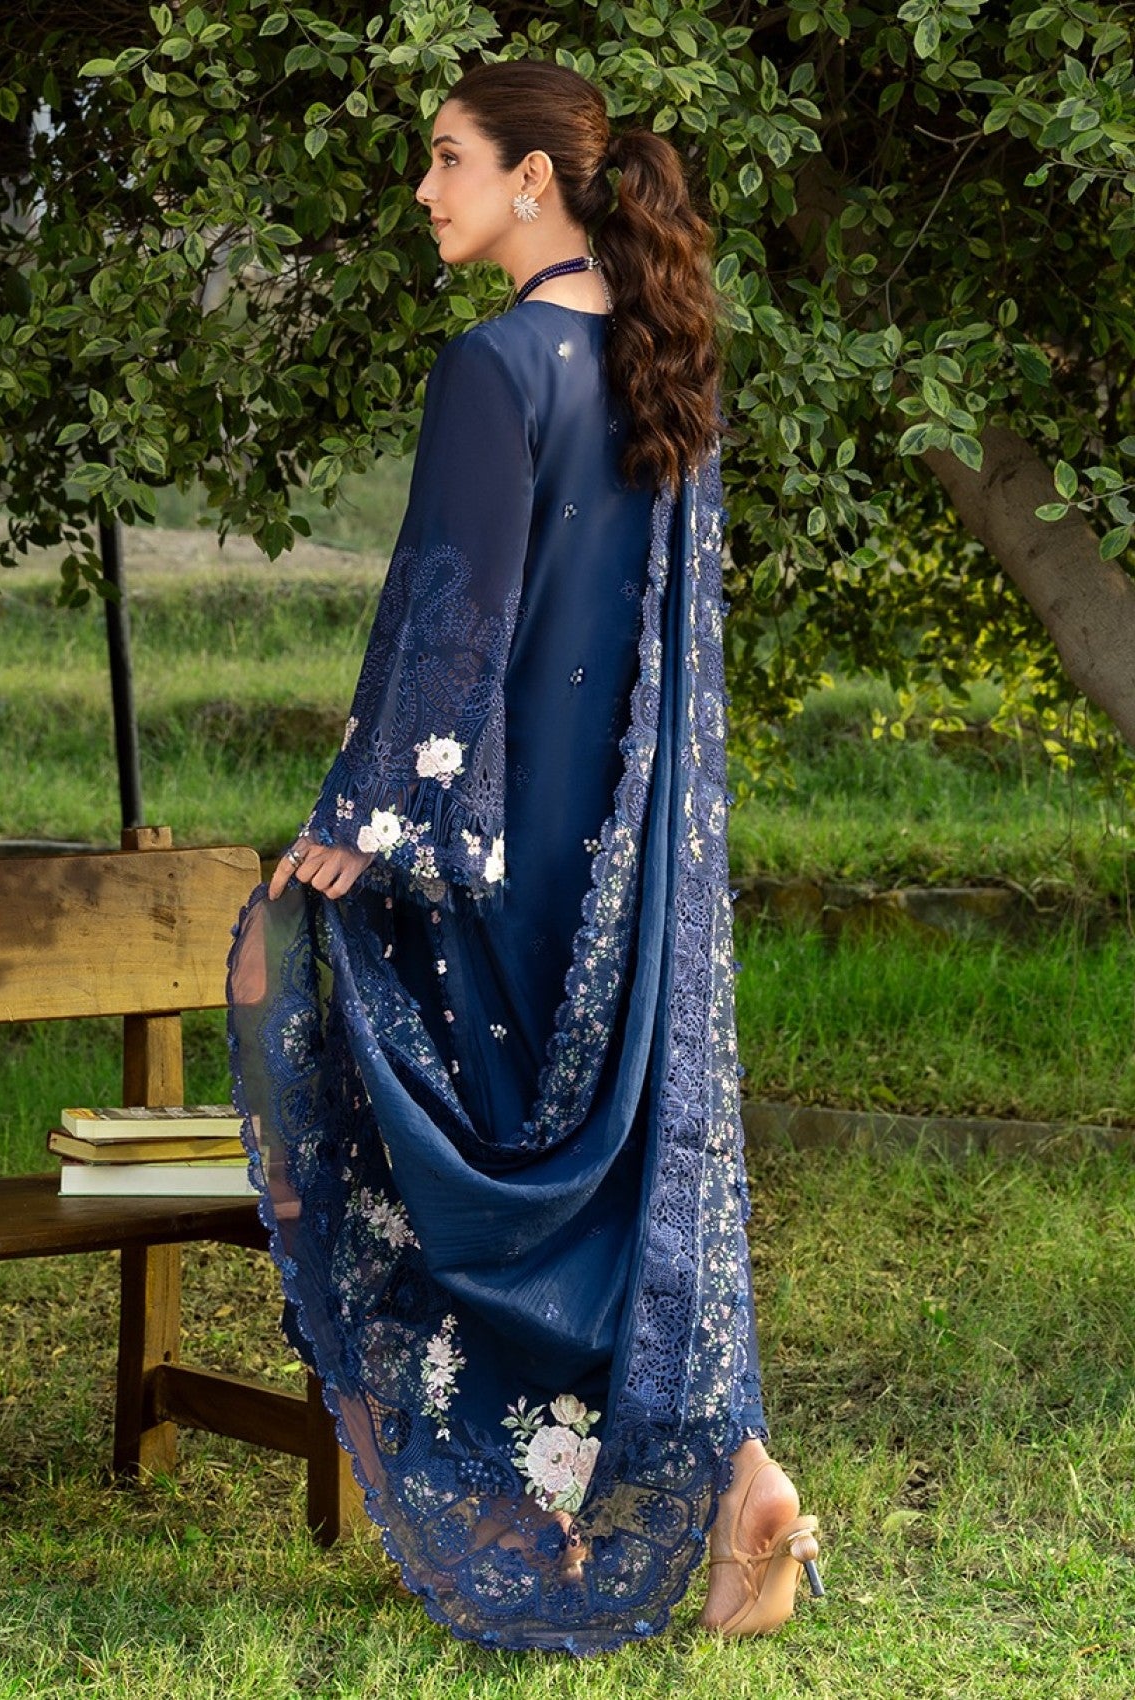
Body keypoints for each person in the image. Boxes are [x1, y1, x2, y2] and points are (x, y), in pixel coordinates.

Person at [227, 58, 822, 1654]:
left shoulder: (496, 367)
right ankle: (738, 1481)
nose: (425, 192)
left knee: (449, 1144)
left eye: (447, 158)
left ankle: (644, 1499)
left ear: (534, 179)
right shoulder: (661, 364)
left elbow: (455, 615)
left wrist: (358, 819)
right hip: (632, 866)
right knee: (613, 1175)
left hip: (509, 854)